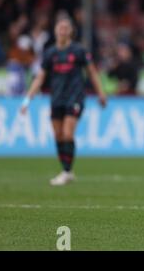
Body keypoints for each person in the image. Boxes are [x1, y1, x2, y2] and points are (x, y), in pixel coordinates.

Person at [21, 17, 107, 186]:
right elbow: (40, 78)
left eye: (66, 28)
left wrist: (101, 93)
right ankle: (66, 170)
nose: (62, 30)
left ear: (70, 31)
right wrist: (26, 101)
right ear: (55, 31)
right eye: (60, 27)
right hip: (56, 98)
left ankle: (67, 171)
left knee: (68, 133)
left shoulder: (79, 51)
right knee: (58, 135)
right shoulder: (50, 53)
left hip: (75, 97)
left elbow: (92, 73)